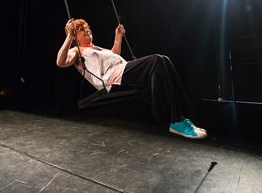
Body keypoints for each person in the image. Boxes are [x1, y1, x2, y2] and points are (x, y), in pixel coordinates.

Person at [56, 18, 207, 139]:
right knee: (157, 60)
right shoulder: (76, 51)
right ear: (75, 36)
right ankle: (174, 121)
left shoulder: (96, 48)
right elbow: (60, 62)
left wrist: (118, 37)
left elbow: (114, 53)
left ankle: (182, 118)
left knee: (164, 61)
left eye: (87, 27)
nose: (86, 29)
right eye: (81, 29)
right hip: (113, 79)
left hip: (122, 70)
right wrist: (69, 37)